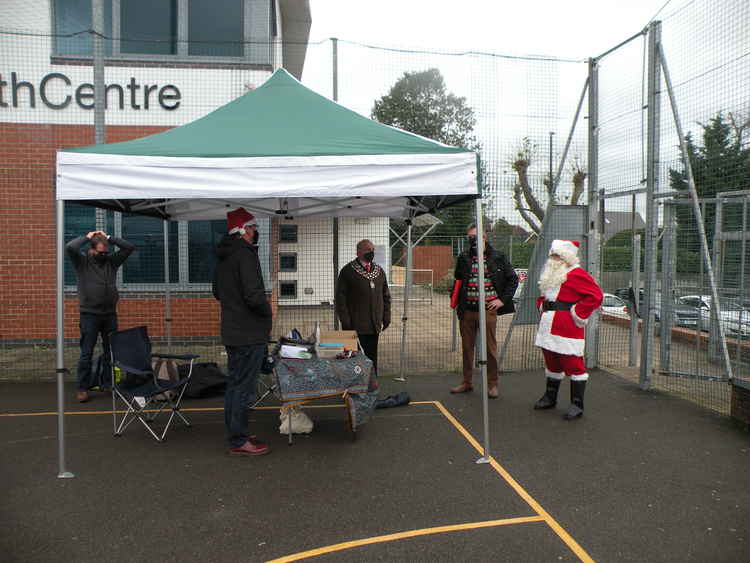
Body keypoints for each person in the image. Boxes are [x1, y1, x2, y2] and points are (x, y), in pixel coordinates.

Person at [213, 208, 272, 456]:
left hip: (234, 330)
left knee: (235, 386)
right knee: (243, 388)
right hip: (249, 333)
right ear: (242, 230)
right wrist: (266, 310)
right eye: (253, 228)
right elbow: (253, 295)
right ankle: (238, 440)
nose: (255, 232)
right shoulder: (245, 255)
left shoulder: (224, 256)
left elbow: (216, 290)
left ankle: (238, 434)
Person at [533, 239, 603, 420]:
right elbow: (543, 296)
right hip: (548, 325)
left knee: (574, 365)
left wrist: (577, 312)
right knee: (552, 362)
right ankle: (550, 397)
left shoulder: (577, 273)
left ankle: (577, 404)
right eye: (552, 255)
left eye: (558, 256)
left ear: (567, 258)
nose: (554, 259)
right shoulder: (550, 274)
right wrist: (542, 305)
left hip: (567, 328)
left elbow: (596, 296)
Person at [66, 230, 135, 403]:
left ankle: (108, 384)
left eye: (106, 251)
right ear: (92, 249)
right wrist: (87, 237)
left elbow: (129, 248)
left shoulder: (111, 262)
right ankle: (82, 388)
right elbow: (70, 247)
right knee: (86, 354)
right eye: (100, 251)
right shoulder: (82, 262)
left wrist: (110, 238)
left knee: (110, 352)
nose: (104, 255)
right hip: (89, 315)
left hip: (110, 314)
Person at [451, 224, 518, 398]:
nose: (472, 240)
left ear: (484, 238)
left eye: (475, 236)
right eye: (470, 237)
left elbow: (512, 280)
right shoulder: (464, 257)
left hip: (488, 310)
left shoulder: (498, 257)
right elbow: (458, 280)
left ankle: (493, 384)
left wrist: (501, 300)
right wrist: (456, 301)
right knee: (467, 348)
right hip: (467, 310)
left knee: (490, 348)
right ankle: (467, 382)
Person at [335, 239, 391, 375]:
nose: (371, 253)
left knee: (371, 357)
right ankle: (353, 387)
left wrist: (386, 316)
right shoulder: (347, 271)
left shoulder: (379, 271)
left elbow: (386, 296)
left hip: (373, 325)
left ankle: (372, 384)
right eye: (367, 250)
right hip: (353, 324)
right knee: (351, 359)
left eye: (372, 250)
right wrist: (345, 321)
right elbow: (340, 299)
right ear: (358, 252)